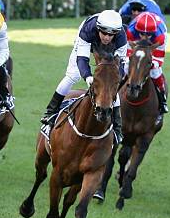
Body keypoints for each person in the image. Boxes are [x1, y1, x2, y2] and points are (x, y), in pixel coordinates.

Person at [40, 10, 127, 141]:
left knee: (110, 84)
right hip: (88, 41)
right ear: (98, 28)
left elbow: (120, 68)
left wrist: (113, 80)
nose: (107, 37)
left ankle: (118, 128)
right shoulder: (88, 30)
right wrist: (88, 77)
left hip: (110, 51)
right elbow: (82, 59)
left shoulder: (121, 39)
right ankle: (50, 112)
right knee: (73, 75)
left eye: (111, 34)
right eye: (104, 33)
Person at [125, 11, 169, 121]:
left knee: (155, 72)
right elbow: (127, 54)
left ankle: (162, 101)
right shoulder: (130, 32)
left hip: (154, 48)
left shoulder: (160, 37)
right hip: (135, 46)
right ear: (137, 31)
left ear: (153, 33)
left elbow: (159, 59)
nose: (144, 38)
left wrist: (151, 64)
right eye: (142, 34)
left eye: (148, 35)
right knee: (125, 67)